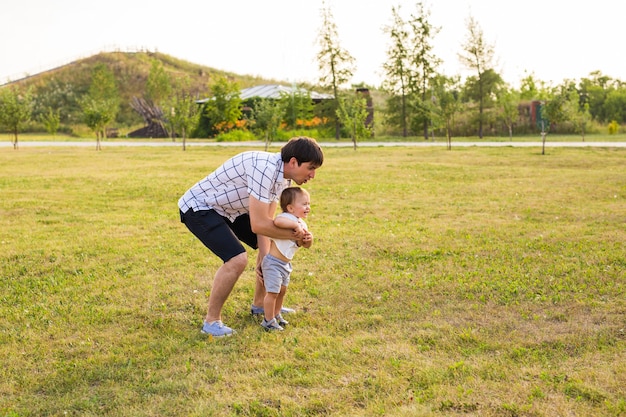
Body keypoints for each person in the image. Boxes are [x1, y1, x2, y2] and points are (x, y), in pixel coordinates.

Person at [178, 137, 324, 337]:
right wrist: (297, 235)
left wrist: (267, 257)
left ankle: (260, 305)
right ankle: (211, 322)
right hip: (200, 207)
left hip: (229, 210)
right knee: (237, 259)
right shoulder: (264, 169)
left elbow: (267, 223)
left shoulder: (282, 178)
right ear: (293, 162)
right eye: (311, 168)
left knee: (270, 247)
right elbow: (258, 224)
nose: (313, 175)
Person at [260, 187, 313, 331]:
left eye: (308, 204)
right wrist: (295, 225)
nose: (308, 207)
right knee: (272, 292)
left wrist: (308, 240)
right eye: (304, 204)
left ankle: (277, 314)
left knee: (282, 291)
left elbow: (302, 245)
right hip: (273, 263)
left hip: (285, 264)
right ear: (290, 207)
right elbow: (277, 221)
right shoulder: (286, 218)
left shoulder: (302, 223)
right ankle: (268, 320)